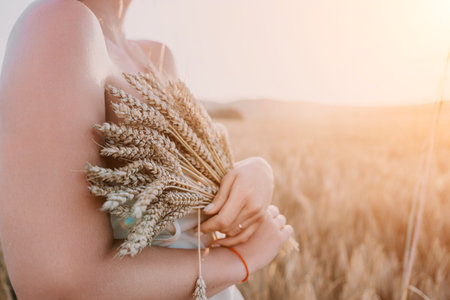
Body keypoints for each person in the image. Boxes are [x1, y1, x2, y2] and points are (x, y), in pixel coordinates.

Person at [0, 0, 294, 299]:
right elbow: (59, 287)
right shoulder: (58, 23)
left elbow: (188, 200)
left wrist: (253, 171)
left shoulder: (159, 56)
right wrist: (239, 261)